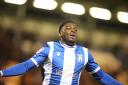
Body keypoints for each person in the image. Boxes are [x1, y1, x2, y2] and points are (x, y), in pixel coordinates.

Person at [0, 20, 123, 85]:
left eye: (75, 29)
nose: (73, 30)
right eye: (68, 28)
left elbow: (101, 76)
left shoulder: (84, 53)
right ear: (60, 33)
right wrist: (2, 73)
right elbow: (26, 66)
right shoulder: (50, 48)